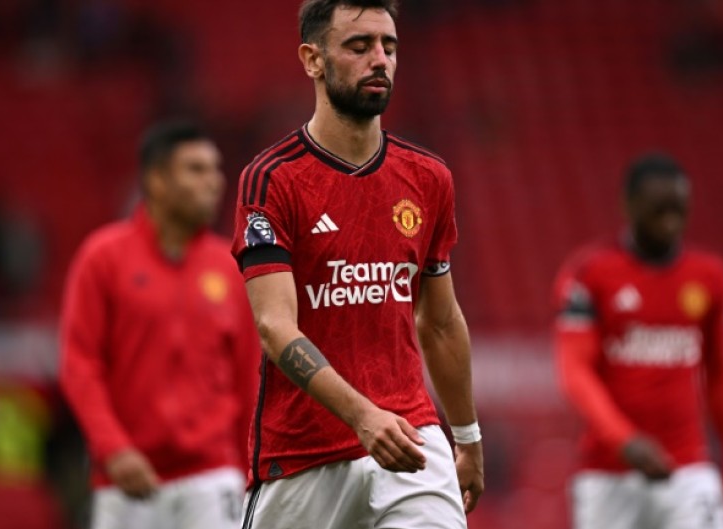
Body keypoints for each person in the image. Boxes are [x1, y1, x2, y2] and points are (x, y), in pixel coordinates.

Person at [230, 1, 484, 528]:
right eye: (359, 46)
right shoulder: (272, 180)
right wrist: (362, 417)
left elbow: (439, 322)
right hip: (302, 457)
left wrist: (466, 437)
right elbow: (276, 329)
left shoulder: (429, 178)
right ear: (312, 59)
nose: (380, 60)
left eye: (389, 47)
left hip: (411, 442)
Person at [60, 121, 260, 529]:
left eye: (215, 169)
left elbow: (250, 379)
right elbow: (80, 364)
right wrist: (113, 449)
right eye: (196, 169)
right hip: (126, 477)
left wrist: (251, 475)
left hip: (213, 476)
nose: (215, 182)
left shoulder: (230, 267)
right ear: (156, 180)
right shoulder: (103, 259)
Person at [552, 154, 723, 529]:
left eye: (679, 208)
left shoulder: (709, 277)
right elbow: (574, 372)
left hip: (688, 469)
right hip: (606, 473)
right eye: (659, 209)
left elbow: (721, 376)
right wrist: (625, 440)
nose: (671, 219)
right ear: (628, 205)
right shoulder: (590, 273)